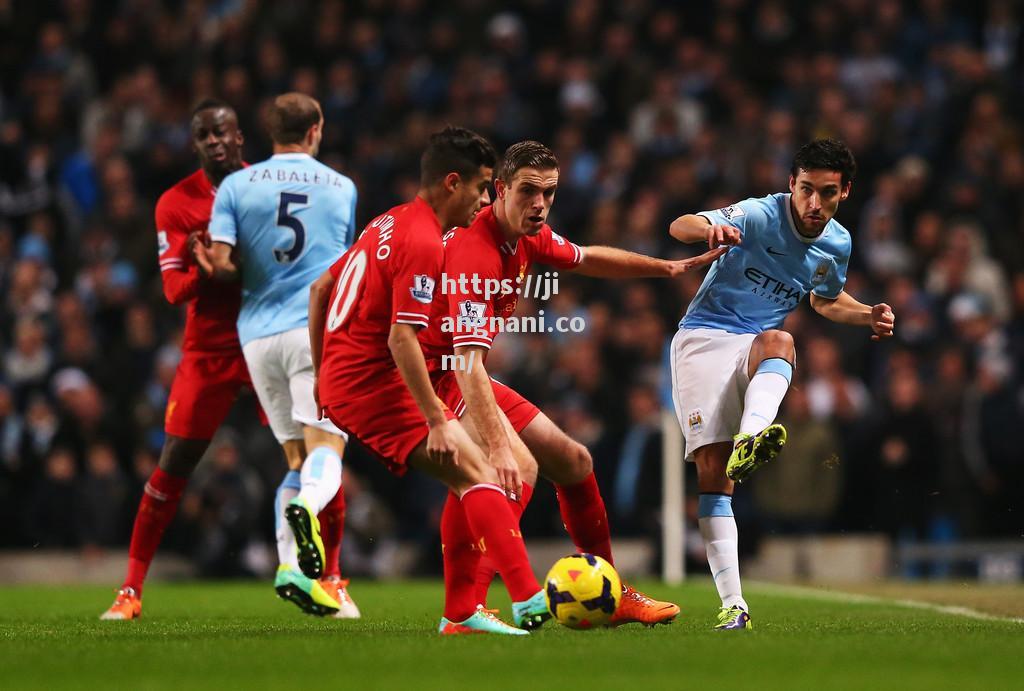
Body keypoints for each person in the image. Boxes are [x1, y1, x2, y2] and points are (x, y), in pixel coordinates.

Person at [418, 140, 724, 625]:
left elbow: (586, 258)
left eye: (550, 192)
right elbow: (466, 361)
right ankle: (464, 613)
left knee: (574, 460)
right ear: (500, 189)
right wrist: (497, 446)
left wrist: (662, 268)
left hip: (462, 370)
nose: (540, 203)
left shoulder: (525, 233)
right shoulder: (475, 252)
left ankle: (611, 588)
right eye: (528, 191)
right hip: (430, 377)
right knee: (505, 470)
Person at [309, 126, 550, 635]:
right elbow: (402, 341)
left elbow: (320, 289)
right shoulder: (423, 241)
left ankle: (463, 613)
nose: (486, 199)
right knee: (479, 475)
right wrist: (437, 420)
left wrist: (320, 373)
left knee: (477, 473)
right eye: (483, 186)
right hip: (371, 383)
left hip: (346, 377)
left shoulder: (389, 220)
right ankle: (527, 598)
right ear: (452, 183)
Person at [666, 138, 895, 629]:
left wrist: (866, 315)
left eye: (827, 194)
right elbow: (679, 225)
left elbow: (825, 299)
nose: (815, 204)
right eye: (807, 190)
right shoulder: (756, 213)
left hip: (753, 342)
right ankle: (734, 603)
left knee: (781, 340)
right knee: (713, 475)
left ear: (844, 193)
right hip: (703, 338)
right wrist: (711, 228)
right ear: (791, 184)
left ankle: (752, 436)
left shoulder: (838, 242)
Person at [196, 93, 358, 618]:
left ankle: (290, 569)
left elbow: (221, 264)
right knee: (328, 451)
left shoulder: (237, 186)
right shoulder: (342, 187)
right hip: (313, 333)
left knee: (296, 457)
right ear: (315, 129)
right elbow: (342, 272)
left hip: (256, 337)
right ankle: (307, 511)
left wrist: (211, 262)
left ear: (269, 132)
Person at [101, 99, 258, 620]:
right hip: (210, 348)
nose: (214, 140)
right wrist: (206, 272)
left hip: (265, 337)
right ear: (195, 145)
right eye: (204, 134)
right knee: (174, 465)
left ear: (240, 137)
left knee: (315, 448)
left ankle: (331, 578)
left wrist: (232, 266)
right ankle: (130, 590)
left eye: (222, 131)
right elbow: (171, 289)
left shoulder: (266, 187)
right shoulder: (176, 202)